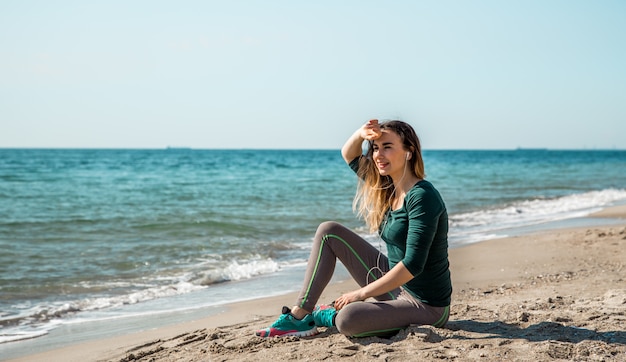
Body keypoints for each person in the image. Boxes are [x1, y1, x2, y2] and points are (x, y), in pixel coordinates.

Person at [256, 119, 452, 338]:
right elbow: (349, 154)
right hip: (397, 289)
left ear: (409, 152)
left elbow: (413, 265)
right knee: (328, 231)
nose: (378, 155)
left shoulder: (422, 197)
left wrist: (361, 294)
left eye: (387, 147)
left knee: (347, 319)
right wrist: (362, 133)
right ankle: (300, 315)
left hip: (426, 306)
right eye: (375, 148)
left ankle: (327, 315)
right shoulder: (387, 186)